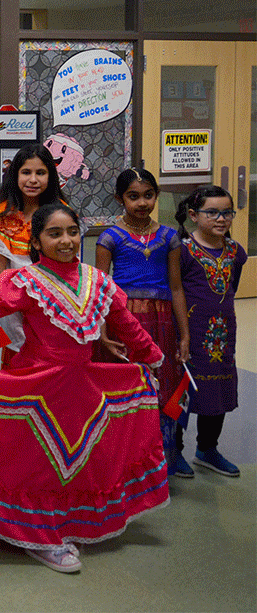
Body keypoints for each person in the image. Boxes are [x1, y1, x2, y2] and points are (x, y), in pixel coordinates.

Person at [0, 204, 166, 574]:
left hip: (80, 388)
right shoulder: (26, 280)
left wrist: (154, 359)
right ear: (38, 240)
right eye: (55, 234)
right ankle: (40, 533)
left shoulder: (97, 280)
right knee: (34, 463)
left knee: (71, 463)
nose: (66, 241)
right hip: (33, 387)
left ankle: (63, 522)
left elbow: (127, 327)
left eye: (73, 232)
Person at [94, 169, 190, 477]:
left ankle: (167, 457)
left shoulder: (169, 237)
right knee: (129, 385)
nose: (142, 203)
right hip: (126, 320)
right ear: (119, 199)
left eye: (148, 195)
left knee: (166, 384)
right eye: (133, 196)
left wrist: (184, 334)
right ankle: (125, 462)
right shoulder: (110, 237)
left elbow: (176, 287)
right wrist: (104, 332)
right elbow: (101, 287)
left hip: (162, 321)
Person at [175, 185, 247, 478]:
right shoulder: (182, 250)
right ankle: (174, 451)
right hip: (188, 333)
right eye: (212, 212)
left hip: (221, 332)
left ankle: (207, 449)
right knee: (183, 389)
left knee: (217, 388)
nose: (221, 219)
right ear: (194, 215)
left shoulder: (235, 252)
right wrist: (182, 334)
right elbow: (175, 290)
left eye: (226, 212)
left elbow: (232, 288)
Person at [0, 144, 68, 272]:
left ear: (50, 176)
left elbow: (69, 264)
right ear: (15, 175)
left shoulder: (63, 214)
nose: (33, 179)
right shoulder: (1, 215)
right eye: (26, 172)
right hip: (10, 289)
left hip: (56, 288)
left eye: (40, 173)